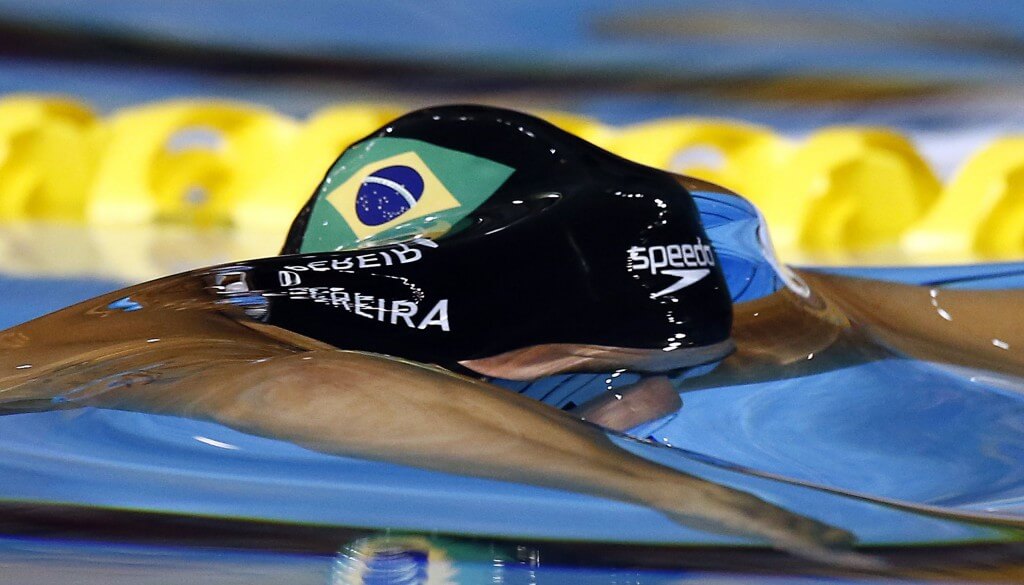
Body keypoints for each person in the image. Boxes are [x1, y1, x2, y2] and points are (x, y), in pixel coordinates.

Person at [6, 105, 1020, 564]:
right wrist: (693, 497)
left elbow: (888, 314)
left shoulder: (567, 324)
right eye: (603, 382)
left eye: (687, 368)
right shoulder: (140, 355)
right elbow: (307, 394)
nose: (656, 405)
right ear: (487, 361)